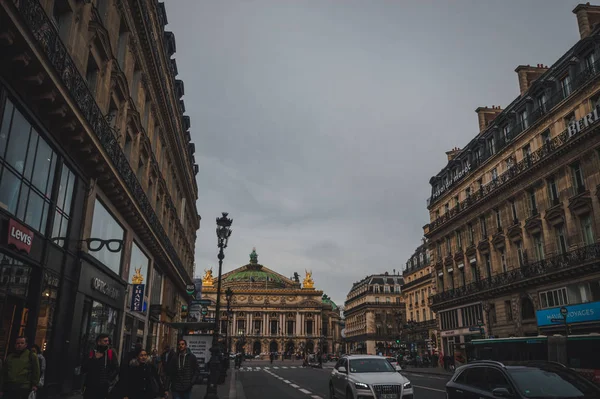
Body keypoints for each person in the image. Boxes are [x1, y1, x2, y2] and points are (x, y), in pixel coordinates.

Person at [81, 334, 119, 399]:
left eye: (108, 341)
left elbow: (116, 368)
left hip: (103, 387)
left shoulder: (110, 353)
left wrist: (108, 380)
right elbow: (84, 368)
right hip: (90, 386)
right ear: (99, 342)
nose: (107, 343)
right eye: (105, 341)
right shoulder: (91, 353)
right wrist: (94, 359)